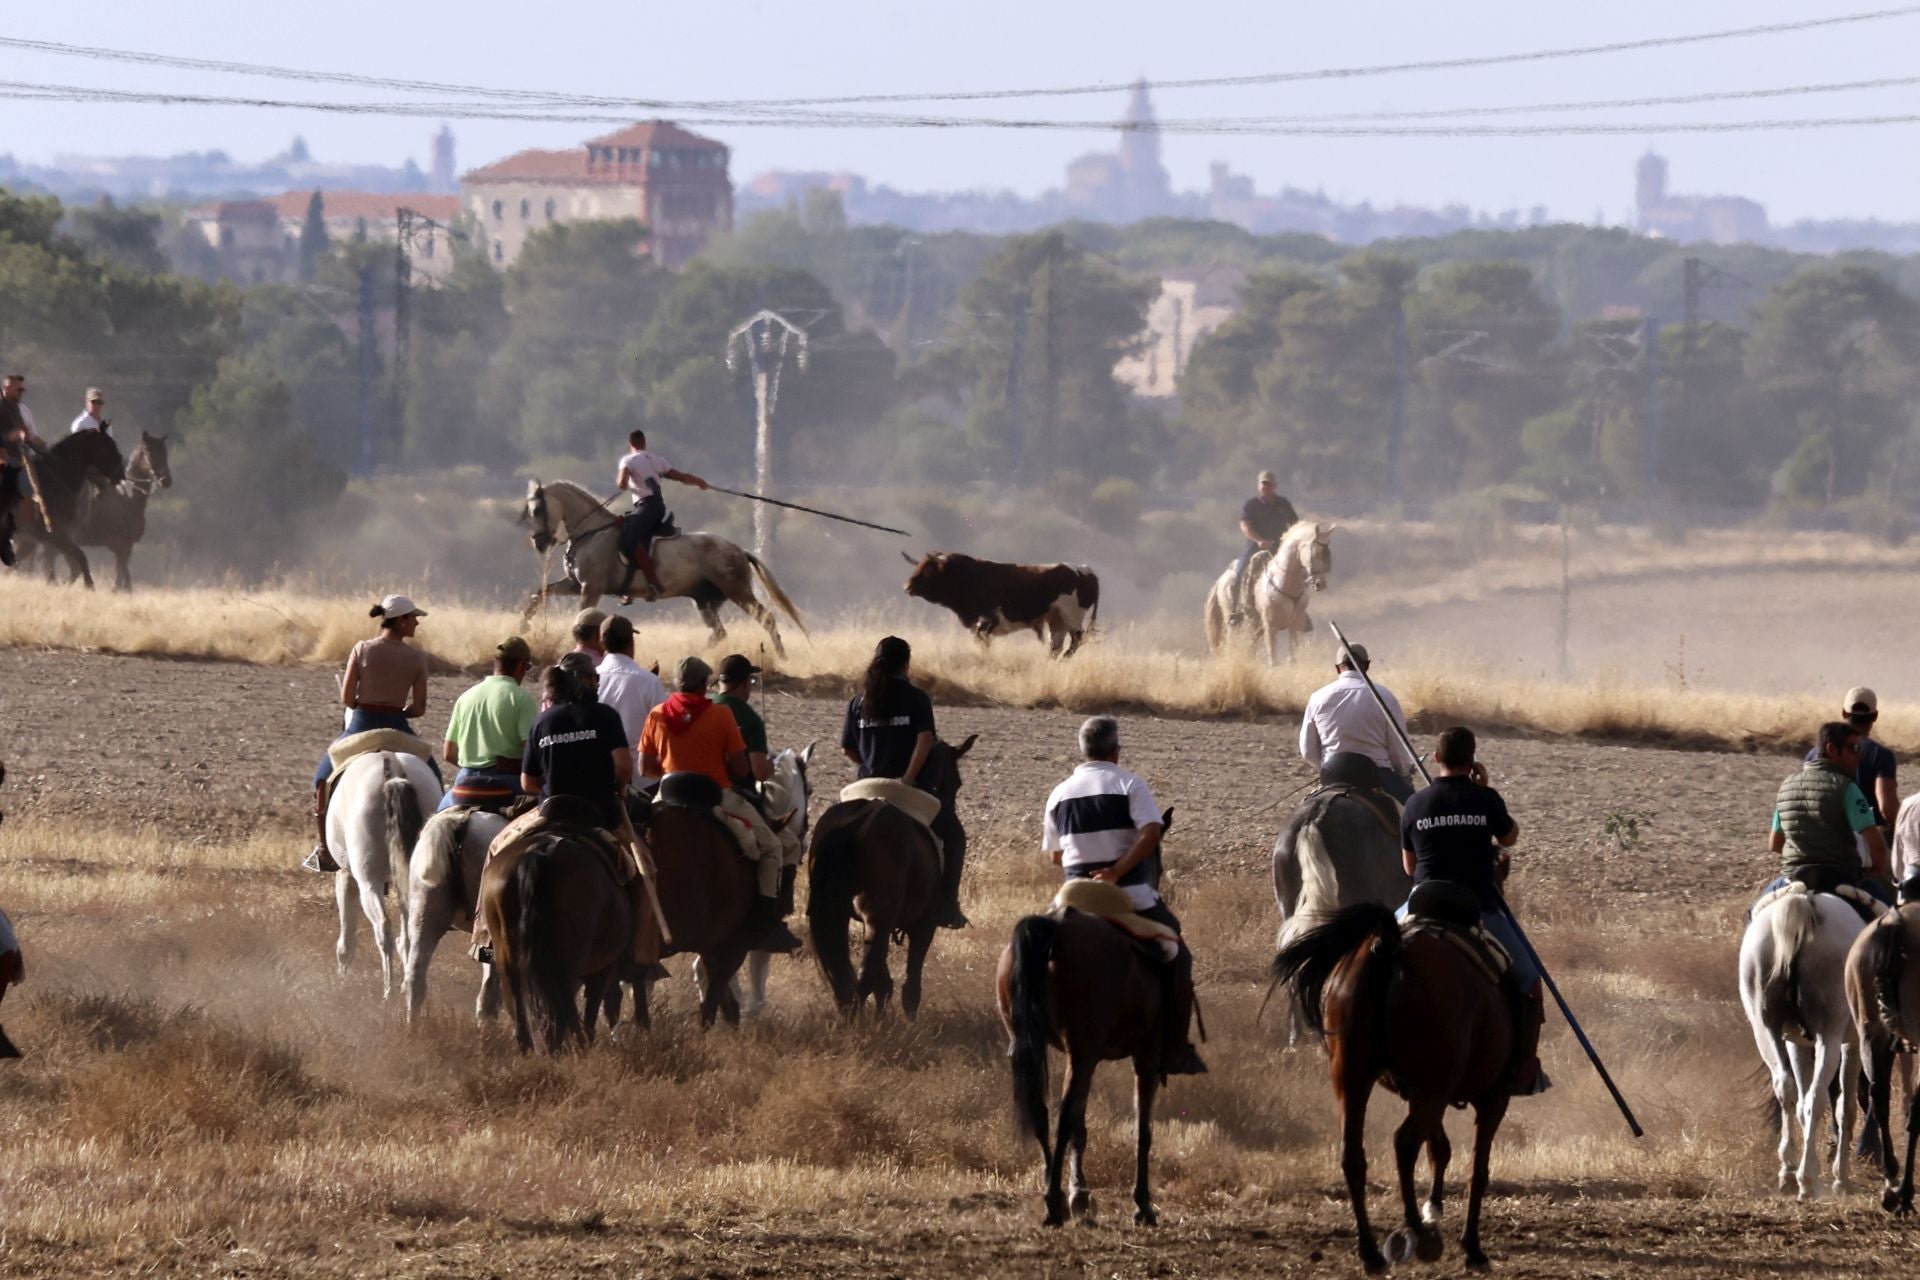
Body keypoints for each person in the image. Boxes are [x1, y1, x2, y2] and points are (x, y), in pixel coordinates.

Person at [1042, 715, 1205, 1077]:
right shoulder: (1129, 784)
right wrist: (1114, 872)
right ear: (1115, 752)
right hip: (1127, 894)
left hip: (1071, 896)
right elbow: (1151, 833)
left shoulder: (1059, 792)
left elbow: (1055, 855)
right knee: (1177, 952)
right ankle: (1174, 1049)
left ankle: (1022, 1030)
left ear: (1082, 751)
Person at [1399, 726, 1547, 1095]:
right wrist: (1482, 792)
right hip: (1477, 905)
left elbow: (1408, 867)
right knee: (1530, 979)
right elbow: (1510, 837)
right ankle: (1525, 1066)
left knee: (1369, 949)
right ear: (1472, 760)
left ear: (1436, 758)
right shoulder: (1485, 799)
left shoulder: (1415, 803)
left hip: (1421, 901)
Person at [640, 656, 801, 953]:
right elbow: (741, 771)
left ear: (677, 684)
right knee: (773, 848)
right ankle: (766, 923)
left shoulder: (657, 714)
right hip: (716, 795)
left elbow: (645, 767)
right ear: (704, 685)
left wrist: (673, 767)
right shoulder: (721, 715)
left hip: (668, 794)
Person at [841, 635, 967, 929]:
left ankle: (821, 900)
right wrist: (907, 778)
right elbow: (925, 740)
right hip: (905, 787)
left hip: (865, 786)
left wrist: (870, 768)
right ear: (906, 664)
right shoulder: (916, 697)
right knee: (955, 837)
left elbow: (846, 748)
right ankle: (948, 905)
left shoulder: (857, 701)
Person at [304, 595, 436, 873]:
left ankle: (325, 851)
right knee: (434, 778)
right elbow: (420, 708)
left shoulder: (362, 649)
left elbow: (348, 698)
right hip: (397, 727)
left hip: (361, 725)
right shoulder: (416, 658)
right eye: (413, 618)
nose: (416, 623)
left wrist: (367, 703)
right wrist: (400, 710)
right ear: (400, 621)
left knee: (321, 779)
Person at [1763, 720, 1893, 910]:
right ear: (1832, 749)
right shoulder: (1847, 787)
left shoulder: (1787, 786)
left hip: (1794, 877)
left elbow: (1774, 844)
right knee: (1892, 916)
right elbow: (1875, 844)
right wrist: (1875, 869)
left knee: (1753, 914)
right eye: (1854, 748)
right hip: (1842, 877)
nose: (1859, 756)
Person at [714, 653, 803, 892]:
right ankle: (772, 910)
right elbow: (760, 773)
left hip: (693, 787)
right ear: (744, 684)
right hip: (733, 793)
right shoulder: (750, 719)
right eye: (751, 683)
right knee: (786, 845)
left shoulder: (705, 706)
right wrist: (771, 764)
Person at [1300, 643, 1417, 803]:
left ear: (1337, 668)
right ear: (1367, 665)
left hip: (1333, 772)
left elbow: (1307, 750)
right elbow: (1398, 747)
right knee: (1415, 811)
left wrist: (1325, 767)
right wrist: (1403, 772)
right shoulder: (1384, 696)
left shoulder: (1318, 697)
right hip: (1376, 774)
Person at [437, 636, 537, 812]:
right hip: (506, 782)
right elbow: (531, 752)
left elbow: (448, 753)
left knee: (433, 822)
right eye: (527, 668)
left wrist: (476, 766)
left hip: (465, 779)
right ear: (522, 665)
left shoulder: (466, 697)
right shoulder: (522, 699)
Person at [614, 429, 711, 602]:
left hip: (646, 506)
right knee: (635, 535)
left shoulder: (627, 460)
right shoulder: (656, 459)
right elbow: (680, 476)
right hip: (658, 507)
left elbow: (621, 483)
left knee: (630, 541)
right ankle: (633, 586)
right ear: (644, 443)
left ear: (630, 445)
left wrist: (623, 483)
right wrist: (699, 482)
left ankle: (653, 584)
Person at [1804, 687, 1897, 851]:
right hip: (1866, 841)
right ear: (1875, 716)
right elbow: (1887, 808)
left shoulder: (1814, 753)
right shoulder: (1881, 755)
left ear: (1843, 713)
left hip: (1821, 838)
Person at [1229, 468, 1299, 625]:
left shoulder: (1283, 504)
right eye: (1263, 484)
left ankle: (1300, 610)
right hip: (1256, 546)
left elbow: (1295, 524)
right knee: (1240, 572)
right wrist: (1259, 540)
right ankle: (1236, 611)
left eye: (1269, 485)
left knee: (1298, 571)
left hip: (1280, 547)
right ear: (1258, 486)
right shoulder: (1251, 505)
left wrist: (1290, 540)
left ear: (1275, 486)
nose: (1265, 488)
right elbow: (1245, 526)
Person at [596, 614, 666, 753]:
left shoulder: (590, 678)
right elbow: (662, 729)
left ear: (602, 643)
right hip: (638, 770)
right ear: (631, 643)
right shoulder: (649, 682)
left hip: (599, 769)